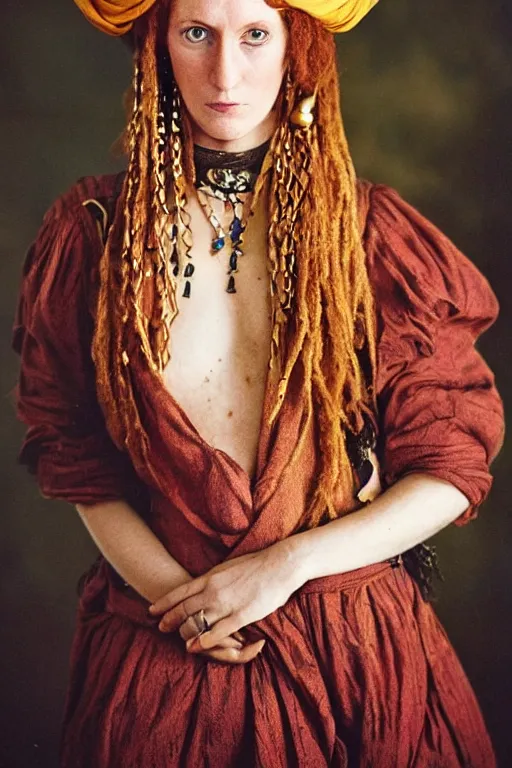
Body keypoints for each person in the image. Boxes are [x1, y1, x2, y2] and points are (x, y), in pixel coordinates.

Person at [12, 0, 504, 765]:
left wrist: (286, 566)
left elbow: (452, 468)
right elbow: (75, 455)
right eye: (196, 33)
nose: (226, 73)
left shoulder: (370, 236)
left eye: (254, 35)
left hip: (355, 660)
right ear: (158, 45)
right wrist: (188, 607)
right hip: (162, 658)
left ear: (294, 45)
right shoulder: (93, 232)